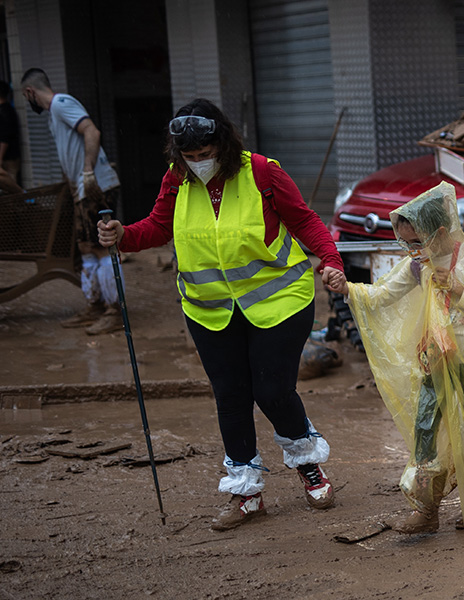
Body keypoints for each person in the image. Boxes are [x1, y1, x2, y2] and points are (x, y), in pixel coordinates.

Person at [97, 99, 344, 531]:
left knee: (272, 392)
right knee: (230, 396)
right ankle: (246, 493)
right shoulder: (177, 179)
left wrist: (330, 261)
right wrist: (123, 236)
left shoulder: (262, 172)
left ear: (223, 144)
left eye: (205, 154)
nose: (198, 163)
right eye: (189, 156)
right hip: (209, 309)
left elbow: (305, 220)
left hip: (279, 301)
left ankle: (308, 464)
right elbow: (158, 227)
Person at [327, 181, 464, 533]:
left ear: (440, 232)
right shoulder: (419, 265)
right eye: (406, 244)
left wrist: (459, 291)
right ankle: (426, 511)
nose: (412, 250)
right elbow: (382, 295)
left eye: (417, 241)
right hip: (435, 359)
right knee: (425, 431)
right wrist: (347, 289)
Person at [21, 68, 122, 334]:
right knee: (86, 247)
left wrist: (88, 172)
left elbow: (92, 131)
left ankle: (115, 311)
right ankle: (95, 306)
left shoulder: (61, 103)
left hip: (95, 186)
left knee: (101, 248)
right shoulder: (54, 115)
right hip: (82, 189)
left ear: (30, 92)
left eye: (25, 96)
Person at [0, 80, 23, 194]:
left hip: (9, 157)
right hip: (9, 156)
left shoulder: (4, 111)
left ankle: (23, 200)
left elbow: (5, 137)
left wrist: (0, 157)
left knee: (12, 189)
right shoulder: (7, 110)